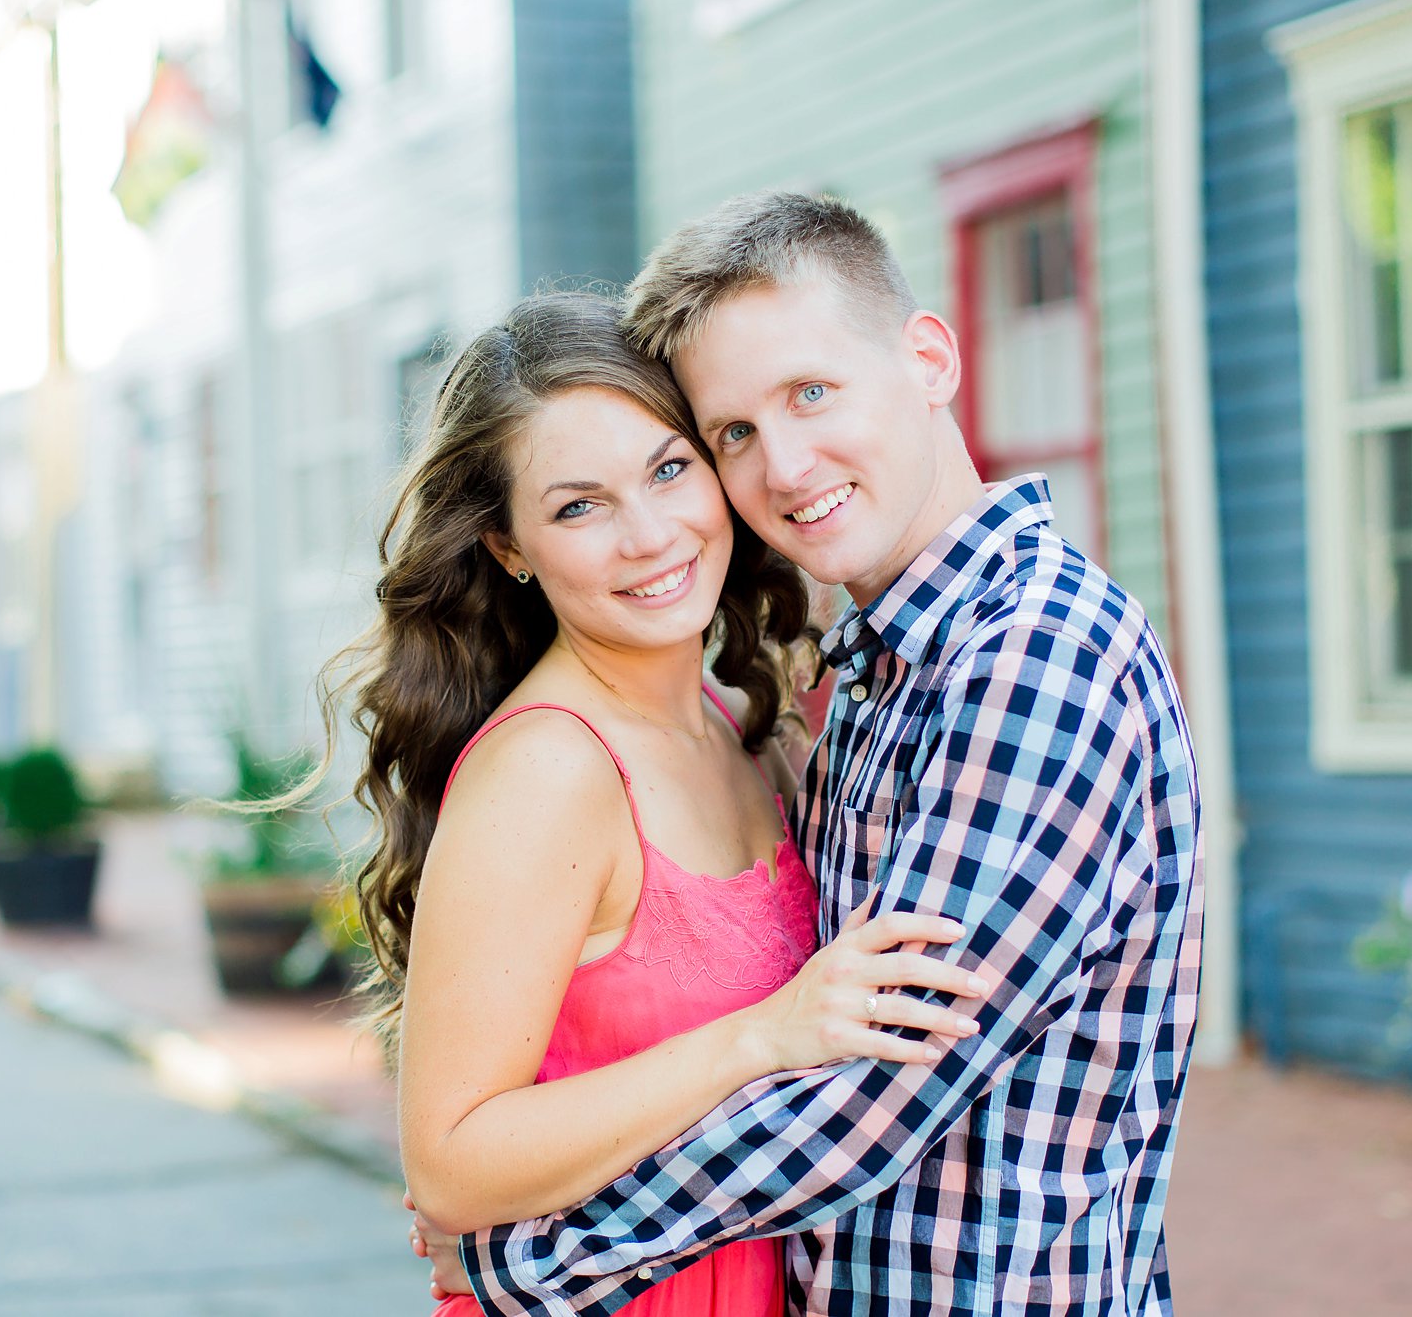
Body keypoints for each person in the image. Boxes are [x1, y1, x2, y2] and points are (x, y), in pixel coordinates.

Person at [441, 193, 1206, 1316]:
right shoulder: (867, 676)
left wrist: (528, 1255)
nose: (786, 465)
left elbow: (876, 1090)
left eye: (810, 393)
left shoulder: (1036, 656)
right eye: (734, 435)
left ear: (929, 357)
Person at [325, 291, 988, 1317]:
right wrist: (760, 1035)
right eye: (577, 506)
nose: (648, 535)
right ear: (509, 547)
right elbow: (451, 1161)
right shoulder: (547, 771)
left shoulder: (750, 728)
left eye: (668, 469)